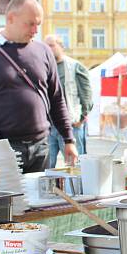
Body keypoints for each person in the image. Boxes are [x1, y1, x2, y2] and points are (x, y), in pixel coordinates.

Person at [0, 0, 77, 173]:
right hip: (3, 148)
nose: (35, 30)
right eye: (30, 23)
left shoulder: (43, 51)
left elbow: (56, 99)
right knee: (7, 200)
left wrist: (69, 140)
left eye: (38, 24)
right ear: (10, 19)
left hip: (41, 148)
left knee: (39, 201)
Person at [44, 35, 92, 167]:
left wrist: (82, 118)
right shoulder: (44, 67)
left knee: (76, 166)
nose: (48, 49)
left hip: (71, 124)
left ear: (61, 47)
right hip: (49, 126)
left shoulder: (75, 66)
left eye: (52, 45)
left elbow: (86, 94)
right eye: (46, 46)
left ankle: (77, 188)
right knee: (46, 167)